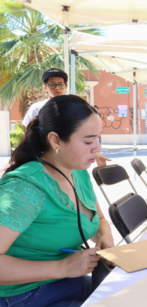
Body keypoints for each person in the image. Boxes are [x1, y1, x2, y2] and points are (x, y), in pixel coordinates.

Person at [0, 95, 115, 306]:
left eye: (99, 138)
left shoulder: (77, 171)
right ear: (55, 140)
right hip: (25, 295)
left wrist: (105, 239)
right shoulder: (26, 187)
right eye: (88, 141)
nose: (97, 148)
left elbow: (99, 218)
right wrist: (61, 267)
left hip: (68, 282)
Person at [21, 68, 111, 168]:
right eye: (52, 84)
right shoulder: (36, 108)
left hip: (69, 159)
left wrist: (95, 155)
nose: (57, 88)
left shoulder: (75, 107)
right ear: (45, 87)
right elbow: (28, 135)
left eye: (60, 84)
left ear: (66, 86)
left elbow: (85, 136)